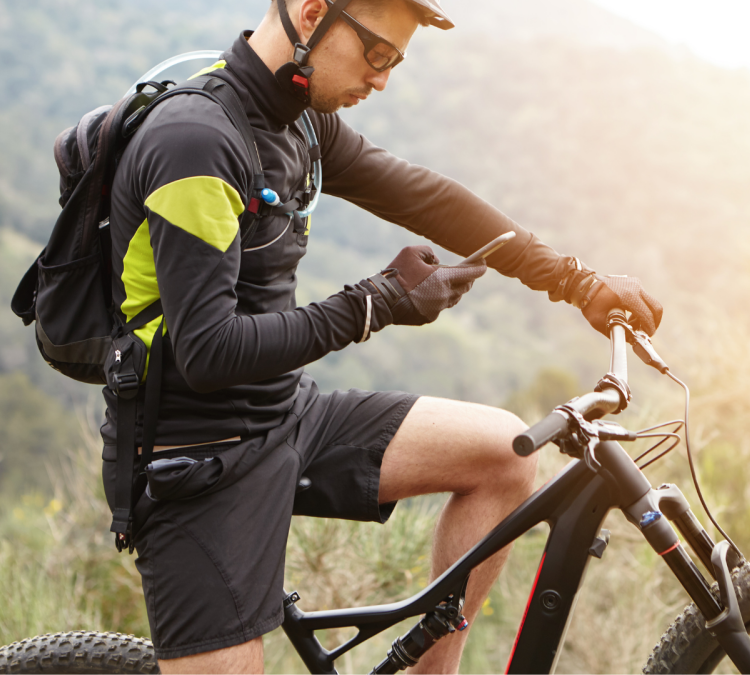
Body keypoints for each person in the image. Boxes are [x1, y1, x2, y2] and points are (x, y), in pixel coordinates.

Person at [102, 0, 663, 672]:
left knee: (505, 455)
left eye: (395, 61)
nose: (383, 80)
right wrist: (372, 304)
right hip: (196, 455)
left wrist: (576, 282)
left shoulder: (300, 122)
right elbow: (208, 351)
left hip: (283, 411)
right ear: (313, 13)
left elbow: (427, 198)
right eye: (377, 55)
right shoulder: (195, 141)